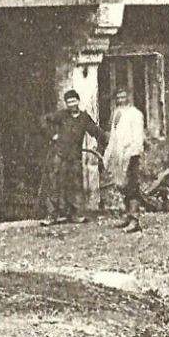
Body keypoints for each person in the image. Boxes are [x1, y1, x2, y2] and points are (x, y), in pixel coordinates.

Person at [37, 89, 103, 225]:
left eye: (74, 100)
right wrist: (52, 135)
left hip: (75, 156)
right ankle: (52, 215)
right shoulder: (61, 115)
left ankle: (75, 214)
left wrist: (106, 143)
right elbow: (43, 120)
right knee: (54, 184)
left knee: (75, 185)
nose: (71, 104)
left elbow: (95, 131)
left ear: (78, 101)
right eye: (68, 102)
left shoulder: (84, 118)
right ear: (66, 104)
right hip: (59, 155)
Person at [103, 87, 146, 233]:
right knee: (123, 186)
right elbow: (113, 137)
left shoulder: (135, 114)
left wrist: (132, 153)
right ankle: (128, 216)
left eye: (123, 97)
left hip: (131, 154)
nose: (121, 100)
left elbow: (138, 138)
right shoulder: (116, 114)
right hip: (119, 155)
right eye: (118, 98)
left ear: (129, 98)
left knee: (132, 185)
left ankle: (135, 220)